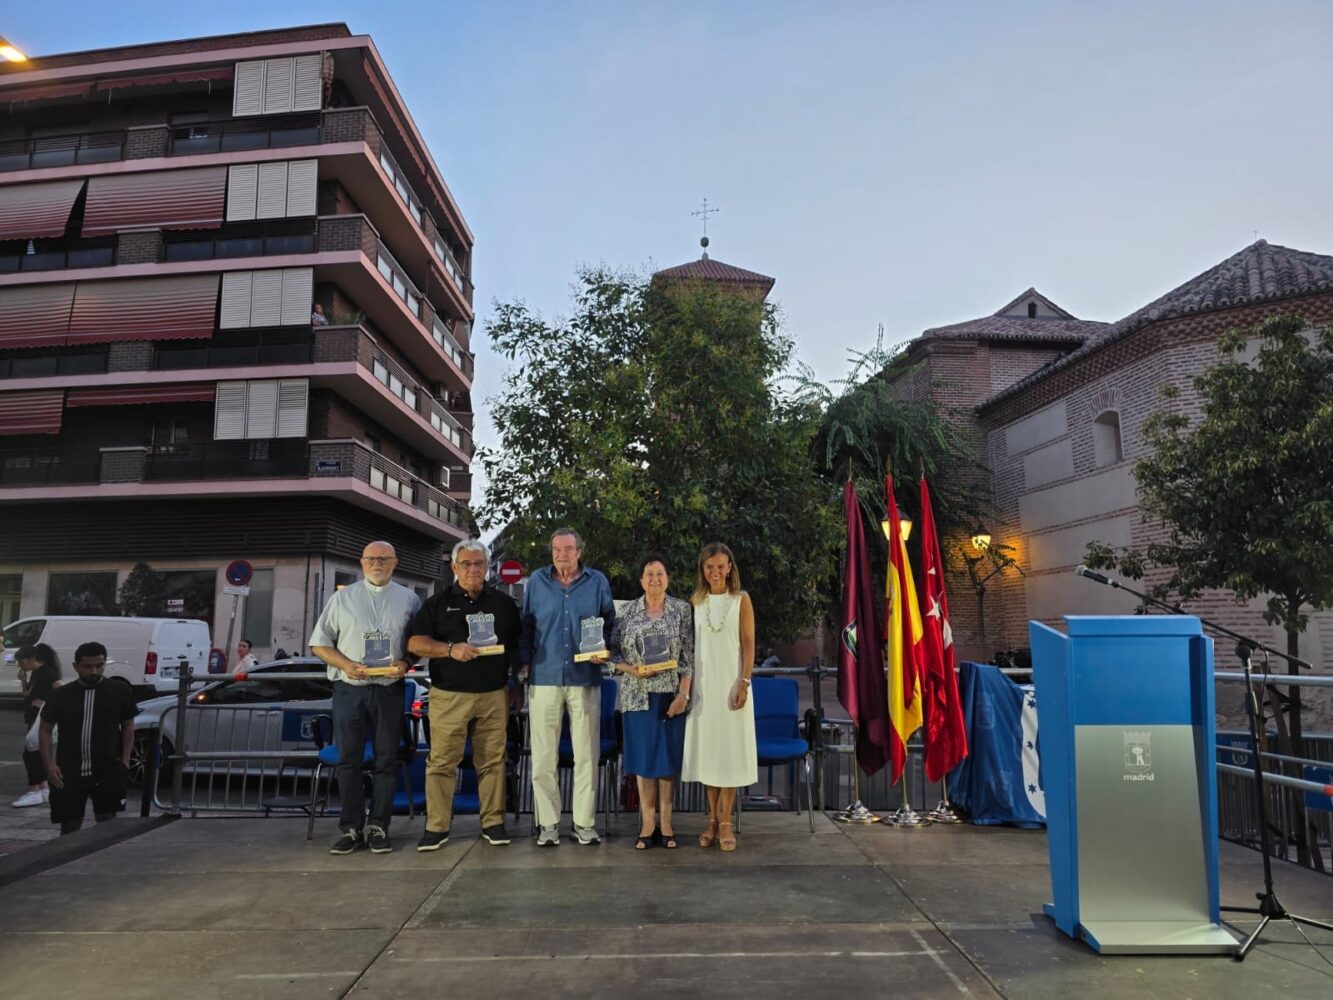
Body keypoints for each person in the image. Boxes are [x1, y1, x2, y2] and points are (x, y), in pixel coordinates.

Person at [309, 540, 421, 855]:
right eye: (371, 558)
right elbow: (319, 643)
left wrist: (406, 662)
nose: (377, 563)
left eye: (384, 558)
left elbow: (418, 642)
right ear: (361, 563)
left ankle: (379, 826)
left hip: (389, 688)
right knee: (349, 761)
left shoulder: (410, 599)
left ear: (395, 562)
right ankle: (352, 828)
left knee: (387, 759)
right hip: (349, 689)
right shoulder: (341, 598)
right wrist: (345, 664)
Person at [408, 539, 520, 850]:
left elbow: (515, 648)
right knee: (442, 762)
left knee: (493, 761)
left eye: (479, 564)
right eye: (466, 564)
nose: (473, 569)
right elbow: (415, 643)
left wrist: (517, 685)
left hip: (494, 694)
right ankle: (437, 827)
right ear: (455, 567)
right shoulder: (438, 603)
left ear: (487, 567)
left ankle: (493, 823)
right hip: (449, 695)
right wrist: (449, 649)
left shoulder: (504, 604)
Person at [520, 527, 615, 846]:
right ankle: (548, 824)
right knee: (543, 756)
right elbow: (526, 624)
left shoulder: (597, 582)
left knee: (586, 755)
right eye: (556, 549)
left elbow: (609, 622)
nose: (562, 554)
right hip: (544, 676)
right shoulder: (537, 581)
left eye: (568, 549)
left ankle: (584, 824)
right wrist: (524, 662)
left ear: (579, 552)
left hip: (584, 676)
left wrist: (605, 649)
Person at [608, 553, 693, 850]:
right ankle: (647, 823)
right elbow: (612, 653)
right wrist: (631, 669)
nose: (654, 579)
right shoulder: (626, 611)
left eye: (659, 573)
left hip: (670, 695)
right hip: (637, 695)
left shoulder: (681, 609)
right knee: (645, 761)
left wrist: (684, 694)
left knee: (667, 760)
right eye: (649, 574)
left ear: (667, 578)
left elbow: (688, 656)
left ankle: (666, 822)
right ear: (641, 580)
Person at [681, 542, 758, 852]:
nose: (715, 572)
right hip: (703, 690)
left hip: (731, 686)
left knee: (729, 755)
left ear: (729, 568)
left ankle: (726, 821)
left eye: (720, 566)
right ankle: (712, 818)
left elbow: (749, 644)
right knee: (709, 755)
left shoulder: (741, 600)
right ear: (702, 569)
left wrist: (744, 682)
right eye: (709, 566)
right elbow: (689, 648)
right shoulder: (695, 602)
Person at [38, 642, 137, 835]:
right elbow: (45, 729)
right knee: (70, 825)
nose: (94, 671)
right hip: (69, 770)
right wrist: (49, 765)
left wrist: (125, 761)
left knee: (107, 822)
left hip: (107, 768)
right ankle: (68, 854)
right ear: (76, 666)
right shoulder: (61, 695)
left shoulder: (119, 690)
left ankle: (103, 854)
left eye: (99, 665)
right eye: (87, 666)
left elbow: (128, 725)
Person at [12, 643, 62, 808]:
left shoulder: (47, 672)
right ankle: (43, 788)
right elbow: (28, 695)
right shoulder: (36, 673)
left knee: (30, 754)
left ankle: (34, 790)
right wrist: (24, 682)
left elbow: (60, 689)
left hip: (40, 720)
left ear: (32, 659)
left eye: (21, 662)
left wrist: (44, 704)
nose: (21, 666)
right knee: (39, 753)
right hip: (34, 718)